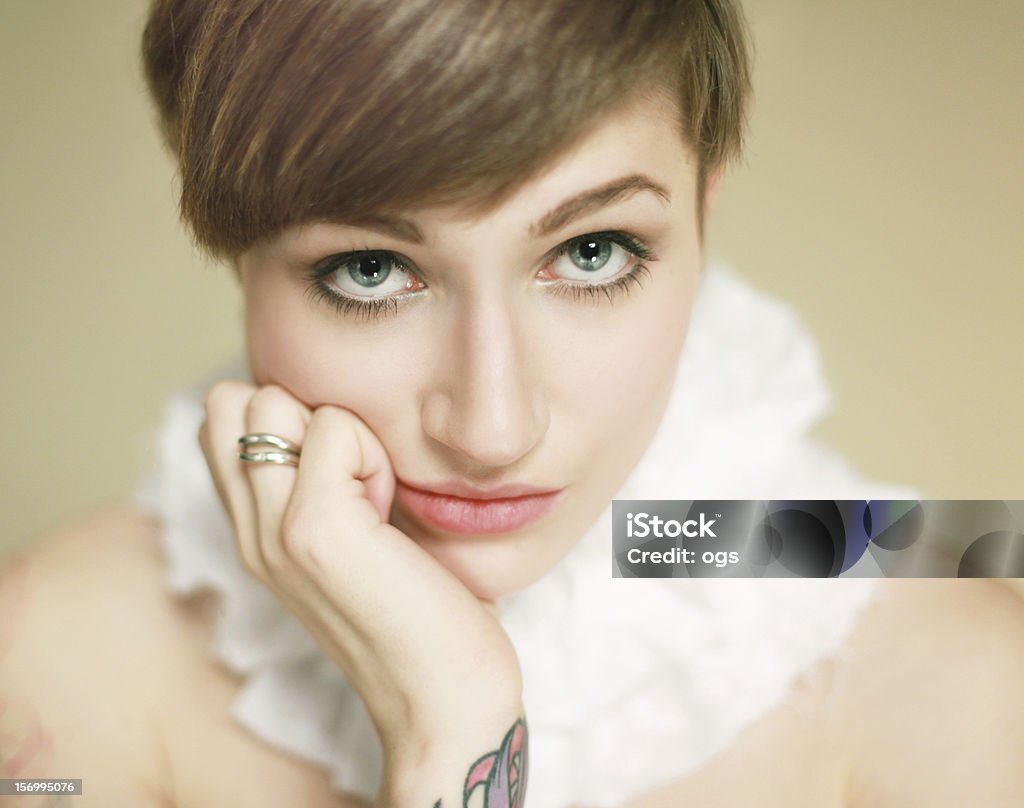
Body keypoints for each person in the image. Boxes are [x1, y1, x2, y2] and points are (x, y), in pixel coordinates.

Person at [1, 1, 1022, 806]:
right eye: (368, 268)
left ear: (704, 206)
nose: (492, 428)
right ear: (231, 249)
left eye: (591, 251)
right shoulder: (61, 652)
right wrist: (454, 726)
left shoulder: (952, 655)